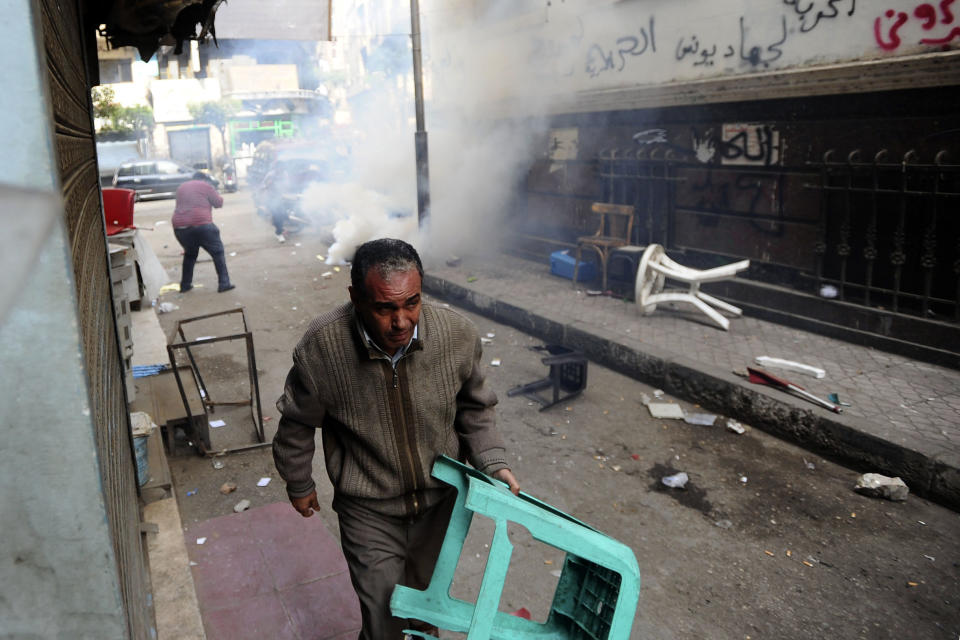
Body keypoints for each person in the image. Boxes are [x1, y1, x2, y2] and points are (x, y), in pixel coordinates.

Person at [273, 238, 519, 639]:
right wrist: (299, 481)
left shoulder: (456, 335)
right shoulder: (322, 347)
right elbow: (297, 423)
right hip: (368, 507)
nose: (401, 321)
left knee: (426, 608)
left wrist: (492, 460)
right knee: (384, 614)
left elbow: (475, 407)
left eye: (411, 303)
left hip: (441, 503)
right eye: (385, 307)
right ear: (355, 297)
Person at [171, 171, 235, 293]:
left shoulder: (181, 187)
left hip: (180, 227)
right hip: (201, 225)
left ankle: (185, 285)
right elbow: (218, 203)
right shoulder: (205, 185)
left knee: (190, 255)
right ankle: (224, 284)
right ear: (204, 179)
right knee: (218, 252)